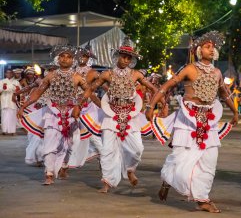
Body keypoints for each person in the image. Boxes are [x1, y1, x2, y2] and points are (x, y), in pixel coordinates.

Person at [145, 31, 238, 213]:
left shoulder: (218, 72)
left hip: (209, 120)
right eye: (207, 47)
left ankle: (202, 198)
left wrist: (234, 111)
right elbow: (167, 86)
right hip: (188, 119)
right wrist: (151, 105)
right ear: (198, 50)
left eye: (213, 47)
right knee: (180, 159)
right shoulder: (189, 69)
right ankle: (169, 179)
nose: (211, 50)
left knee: (210, 160)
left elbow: (225, 94)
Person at [75, 37, 159, 193]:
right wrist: (79, 105)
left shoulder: (136, 75)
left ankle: (130, 169)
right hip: (110, 114)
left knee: (137, 149)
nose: (125, 60)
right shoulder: (107, 74)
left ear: (132, 60)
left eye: (129, 58)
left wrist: (152, 106)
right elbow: (90, 89)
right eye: (123, 56)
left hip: (131, 115)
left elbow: (155, 89)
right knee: (107, 150)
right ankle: (107, 181)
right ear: (117, 57)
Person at [18, 45, 88, 185]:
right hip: (52, 113)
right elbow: (38, 92)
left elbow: (88, 91)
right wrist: (24, 106)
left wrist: (79, 106)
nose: (65, 59)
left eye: (68, 57)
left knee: (71, 144)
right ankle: (49, 173)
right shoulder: (51, 75)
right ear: (58, 58)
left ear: (73, 60)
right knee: (49, 143)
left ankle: (64, 165)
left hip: (70, 114)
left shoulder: (77, 77)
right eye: (62, 56)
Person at [68, 44, 104, 168]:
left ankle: (103, 158)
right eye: (80, 55)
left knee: (93, 135)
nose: (82, 58)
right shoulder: (71, 71)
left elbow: (104, 86)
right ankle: (66, 163)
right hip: (72, 105)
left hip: (89, 105)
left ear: (89, 58)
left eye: (85, 56)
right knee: (71, 136)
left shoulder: (93, 73)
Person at [0, 69, 20, 135]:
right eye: (7, 73)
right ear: (5, 74)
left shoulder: (16, 82)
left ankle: (12, 131)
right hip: (4, 100)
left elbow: (20, 90)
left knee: (12, 116)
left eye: (10, 73)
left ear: (12, 74)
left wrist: (17, 90)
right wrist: (3, 88)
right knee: (4, 116)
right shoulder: (2, 81)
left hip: (12, 100)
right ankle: (4, 130)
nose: (9, 74)